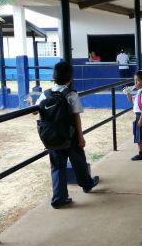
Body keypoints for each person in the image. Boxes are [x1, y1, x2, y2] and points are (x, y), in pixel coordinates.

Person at [34, 61, 100, 208]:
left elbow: (35, 110)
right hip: (70, 137)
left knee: (57, 167)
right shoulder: (71, 95)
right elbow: (76, 116)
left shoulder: (45, 94)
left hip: (53, 138)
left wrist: (32, 102)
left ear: (54, 77)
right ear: (70, 78)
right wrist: (81, 137)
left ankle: (59, 198)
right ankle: (86, 184)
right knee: (79, 161)